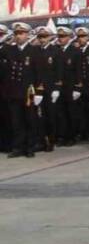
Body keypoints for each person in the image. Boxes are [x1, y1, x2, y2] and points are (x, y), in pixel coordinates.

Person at [1, 23, 44, 158]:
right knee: (16, 121)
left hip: (28, 93)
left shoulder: (35, 51)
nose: (19, 36)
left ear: (27, 35)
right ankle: (18, 147)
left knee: (30, 120)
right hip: (13, 92)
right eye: (16, 34)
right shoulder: (9, 50)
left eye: (21, 33)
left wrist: (39, 92)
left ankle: (30, 147)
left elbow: (40, 73)